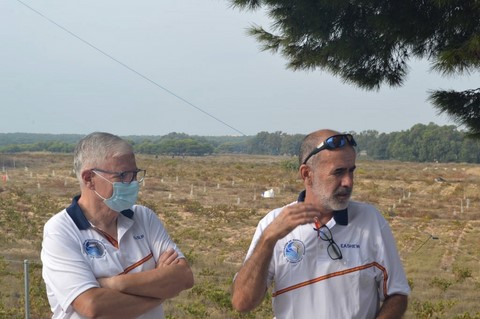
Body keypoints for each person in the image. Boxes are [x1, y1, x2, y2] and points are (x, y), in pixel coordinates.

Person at [231, 129, 410, 318]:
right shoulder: (273, 223)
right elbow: (242, 302)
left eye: (351, 171)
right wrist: (268, 239)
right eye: (338, 172)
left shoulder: (371, 220)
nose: (348, 182)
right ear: (307, 174)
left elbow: (397, 294)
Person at [41, 132, 194, 319]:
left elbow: (184, 277)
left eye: (135, 174)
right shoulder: (61, 231)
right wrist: (160, 291)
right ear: (89, 179)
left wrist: (114, 284)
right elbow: (93, 306)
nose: (133, 183)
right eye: (123, 175)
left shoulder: (144, 217)